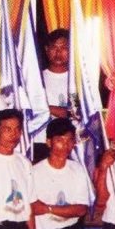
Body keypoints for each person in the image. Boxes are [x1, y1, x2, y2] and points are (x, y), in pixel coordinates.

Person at [32, 118, 112, 229]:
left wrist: (47, 208)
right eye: (60, 140)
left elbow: (81, 209)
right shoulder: (35, 172)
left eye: (69, 140)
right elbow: (32, 211)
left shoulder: (77, 169)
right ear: (48, 142)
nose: (65, 145)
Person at [39, 28, 72, 162]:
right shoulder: (37, 80)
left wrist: (45, 108)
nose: (58, 52)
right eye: (54, 47)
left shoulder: (76, 82)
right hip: (41, 141)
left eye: (64, 48)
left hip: (68, 143)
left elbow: (74, 114)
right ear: (47, 49)